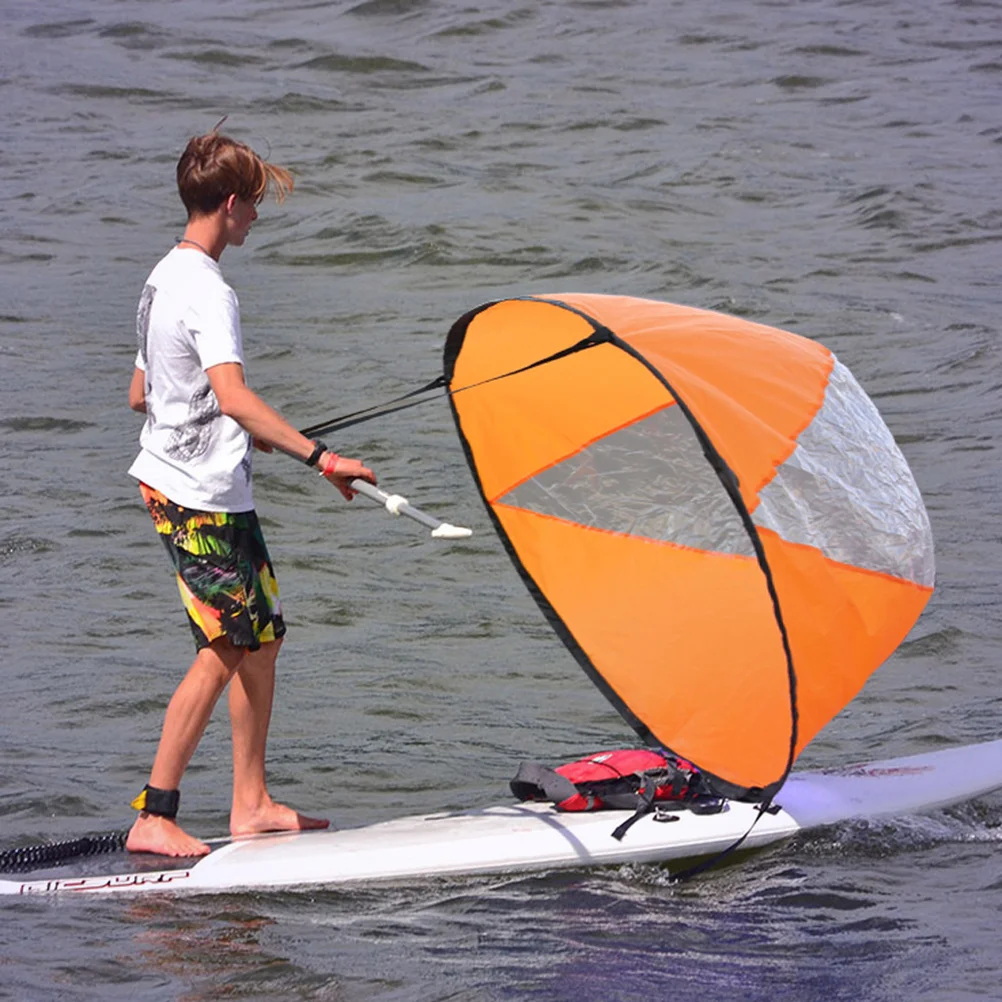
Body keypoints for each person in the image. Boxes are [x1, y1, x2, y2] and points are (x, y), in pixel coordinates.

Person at [126, 129, 375, 857]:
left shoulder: (161, 277)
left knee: (261, 638)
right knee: (225, 644)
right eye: (253, 208)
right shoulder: (208, 288)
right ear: (229, 205)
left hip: (202, 482)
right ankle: (156, 812)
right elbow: (231, 394)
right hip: (193, 494)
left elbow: (143, 392)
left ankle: (251, 802)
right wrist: (321, 457)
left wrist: (237, 426)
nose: (255, 221)